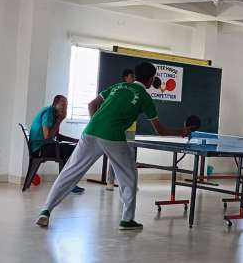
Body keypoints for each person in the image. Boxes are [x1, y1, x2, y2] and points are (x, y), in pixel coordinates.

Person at [35, 62, 190, 230]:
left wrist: (97, 123)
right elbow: (160, 130)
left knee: (70, 172)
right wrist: (182, 131)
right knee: (129, 176)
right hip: (113, 137)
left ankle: (45, 211)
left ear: (136, 75)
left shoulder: (118, 86)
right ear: (151, 79)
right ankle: (127, 219)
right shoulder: (145, 97)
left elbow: (92, 105)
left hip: (90, 131)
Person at [30, 95, 84, 194]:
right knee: (73, 151)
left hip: (42, 146)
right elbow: (47, 137)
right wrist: (59, 121)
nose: (65, 108)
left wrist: (75, 140)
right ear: (55, 104)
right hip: (40, 148)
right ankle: (67, 184)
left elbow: (57, 136)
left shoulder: (54, 114)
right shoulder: (49, 112)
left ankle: (67, 183)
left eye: (66, 106)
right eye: (63, 105)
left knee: (74, 148)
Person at [106, 69, 137, 191]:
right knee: (115, 156)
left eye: (134, 76)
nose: (133, 78)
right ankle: (110, 181)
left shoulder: (137, 92)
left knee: (130, 157)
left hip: (131, 130)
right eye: (131, 76)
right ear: (125, 78)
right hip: (119, 129)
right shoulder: (118, 91)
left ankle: (128, 183)